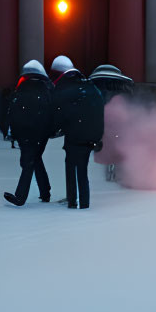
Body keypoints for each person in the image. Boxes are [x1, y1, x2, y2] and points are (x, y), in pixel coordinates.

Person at [52, 59, 106, 209]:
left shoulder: (68, 92)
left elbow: (62, 115)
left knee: (71, 168)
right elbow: (99, 115)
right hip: (89, 138)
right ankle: (84, 202)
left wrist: (56, 129)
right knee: (83, 171)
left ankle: (72, 200)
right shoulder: (91, 89)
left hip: (74, 137)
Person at [3, 64, 57, 207]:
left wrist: (13, 132)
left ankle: (20, 197)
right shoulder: (47, 89)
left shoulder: (20, 90)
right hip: (40, 133)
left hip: (25, 132)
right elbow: (51, 112)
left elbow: (13, 113)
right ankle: (45, 192)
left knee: (28, 163)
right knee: (35, 159)